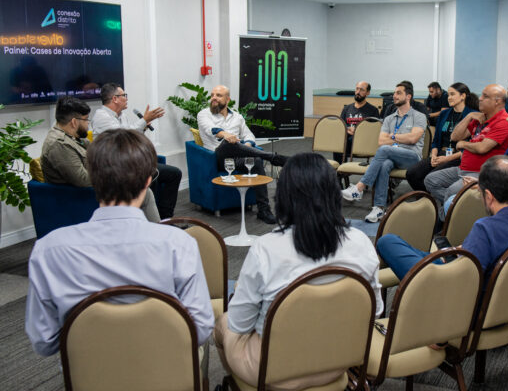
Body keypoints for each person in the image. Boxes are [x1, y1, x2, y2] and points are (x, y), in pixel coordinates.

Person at [26, 129, 214, 356]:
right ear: (147, 181)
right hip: (167, 373)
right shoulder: (179, 243)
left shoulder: (48, 250)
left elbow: (43, 342)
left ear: (93, 179)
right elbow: (201, 330)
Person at [214, 153, 382, 389]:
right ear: (333, 193)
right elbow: (374, 310)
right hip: (337, 362)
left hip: (273, 371)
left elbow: (240, 325)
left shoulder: (266, 249)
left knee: (222, 323)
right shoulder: (361, 242)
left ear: (283, 197)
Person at [378, 156, 508, 281]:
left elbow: (463, 278)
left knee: (387, 241)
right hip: (503, 302)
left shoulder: (486, 229)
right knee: (430, 252)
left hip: (451, 289)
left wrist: (456, 259)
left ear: (488, 196)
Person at [40, 96, 160, 222]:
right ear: (74, 122)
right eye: (86, 120)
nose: (88, 124)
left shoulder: (73, 137)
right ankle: (158, 233)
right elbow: (82, 179)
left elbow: (99, 154)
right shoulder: (59, 144)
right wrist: (116, 176)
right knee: (145, 193)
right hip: (80, 197)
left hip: (91, 190)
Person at [197, 85, 288, 224]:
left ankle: (263, 209)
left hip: (237, 158)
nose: (214, 98)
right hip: (217, 158)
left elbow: (249, 135)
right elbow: (211, 130)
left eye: (218, 95)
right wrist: (226, 135)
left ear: (227, 99)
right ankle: (273, 158)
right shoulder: (204, 114)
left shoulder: (237, 117)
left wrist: (246, 147)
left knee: (256, 161)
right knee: (228, 143)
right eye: (212, 95)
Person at [91, 83, 182, 218]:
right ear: (115, 98)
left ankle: (166, 219)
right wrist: (144, 120)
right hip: (115, 166)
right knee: (153, 174)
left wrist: (143, 126)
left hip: (130, 162)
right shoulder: (101, 116)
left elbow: (132, 139)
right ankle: (147, 219)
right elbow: (123, 136)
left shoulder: (122, 115)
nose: (126, 98)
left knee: (174, 174)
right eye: (124, 95)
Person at [441, 100, 508, 217]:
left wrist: (479, 185)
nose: (507, 119)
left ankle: (448, 230)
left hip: (502, 198)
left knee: (452, 202)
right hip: (499, 190)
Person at [424, 84, 508, 217]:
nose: (480, 98)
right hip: (463, 169)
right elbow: (455, 136)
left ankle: (443, 225)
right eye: (481, 95)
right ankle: (461, 209)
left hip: (481, 173)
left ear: (497, 101)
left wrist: (463, 144)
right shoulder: (481, 117)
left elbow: (482, 148)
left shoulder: (503, 121)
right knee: (430, 180)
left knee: (450, 192)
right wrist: (469, 116)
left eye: (485, 96)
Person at [342, 82, 427, 222]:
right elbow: (381, 141)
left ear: (408, 96)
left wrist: (393, 137)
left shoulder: (419, 116)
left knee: (385, 150)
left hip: (412, 157)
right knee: (385, 164)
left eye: (399, 93)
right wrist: (400, 139)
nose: (394, 96)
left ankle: (360, 187)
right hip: (392, 156)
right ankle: (379, 208)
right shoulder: (388, 119)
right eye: (394, 93)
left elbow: (413, 139)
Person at [406, 82, 479, 191]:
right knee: (412, 173)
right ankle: (426, 199)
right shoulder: (444, 114)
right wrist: (434, 156)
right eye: (448, 94)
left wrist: (446, 159)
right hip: (440, 154)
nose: (449, 98)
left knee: (431, 176)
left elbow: (470, 146)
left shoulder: (472, 115)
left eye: (452, 94)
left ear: (463, 96)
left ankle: (439, 202)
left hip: (457, 157)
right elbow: (436, 141)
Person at [334, 80, 380, 163]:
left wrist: (357, 131)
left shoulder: (373, 110)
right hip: (347, 142)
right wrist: (348, 129)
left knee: (344, 141)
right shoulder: (346, 109)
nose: (358, 92)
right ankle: (341, 171)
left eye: (362, 90)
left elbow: (375, 131)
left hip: (363, 142)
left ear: (368, 93)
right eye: (357, 89)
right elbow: (341, 126)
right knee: (338, 142)